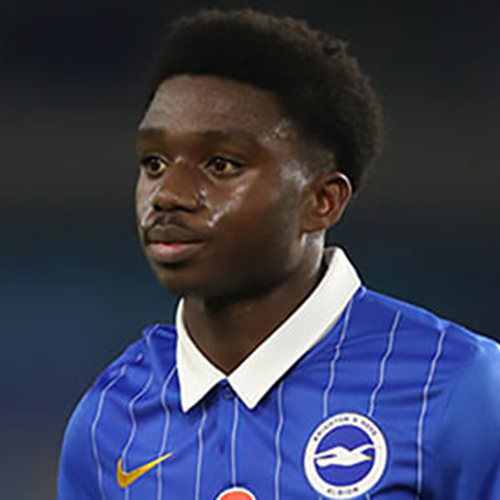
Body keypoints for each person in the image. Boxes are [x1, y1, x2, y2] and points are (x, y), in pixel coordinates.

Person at [58, 8, 500, 500]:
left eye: (221, 164)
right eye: (154, 162)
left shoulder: (460, 386)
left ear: (322, 201)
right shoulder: (109, 418)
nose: (168, 194)